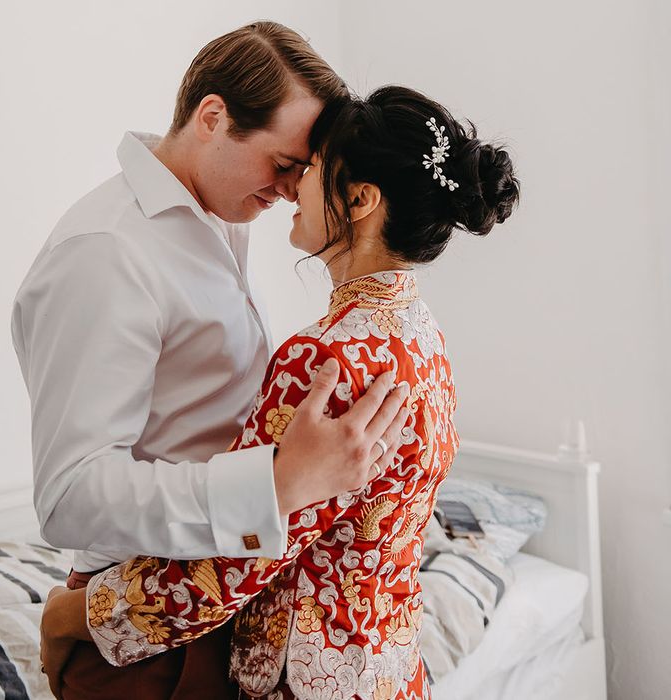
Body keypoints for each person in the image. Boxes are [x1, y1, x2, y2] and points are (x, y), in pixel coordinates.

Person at [40, 86, 521, 699]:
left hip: (304, 680)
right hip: (389, 669)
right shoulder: (421, 336)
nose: (293, 187)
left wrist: (68, 617)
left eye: (311, 169)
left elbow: (226, 566)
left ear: (361, 199)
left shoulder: (325, 360)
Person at [11, 20, 409, 699]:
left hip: (211, 593)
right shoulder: (106, 252)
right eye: (284, 165)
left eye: (303, 172)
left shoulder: (218, 213)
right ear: (214, 117)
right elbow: (69, 496)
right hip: (140, 626)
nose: (292, 192)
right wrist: (276, 485)